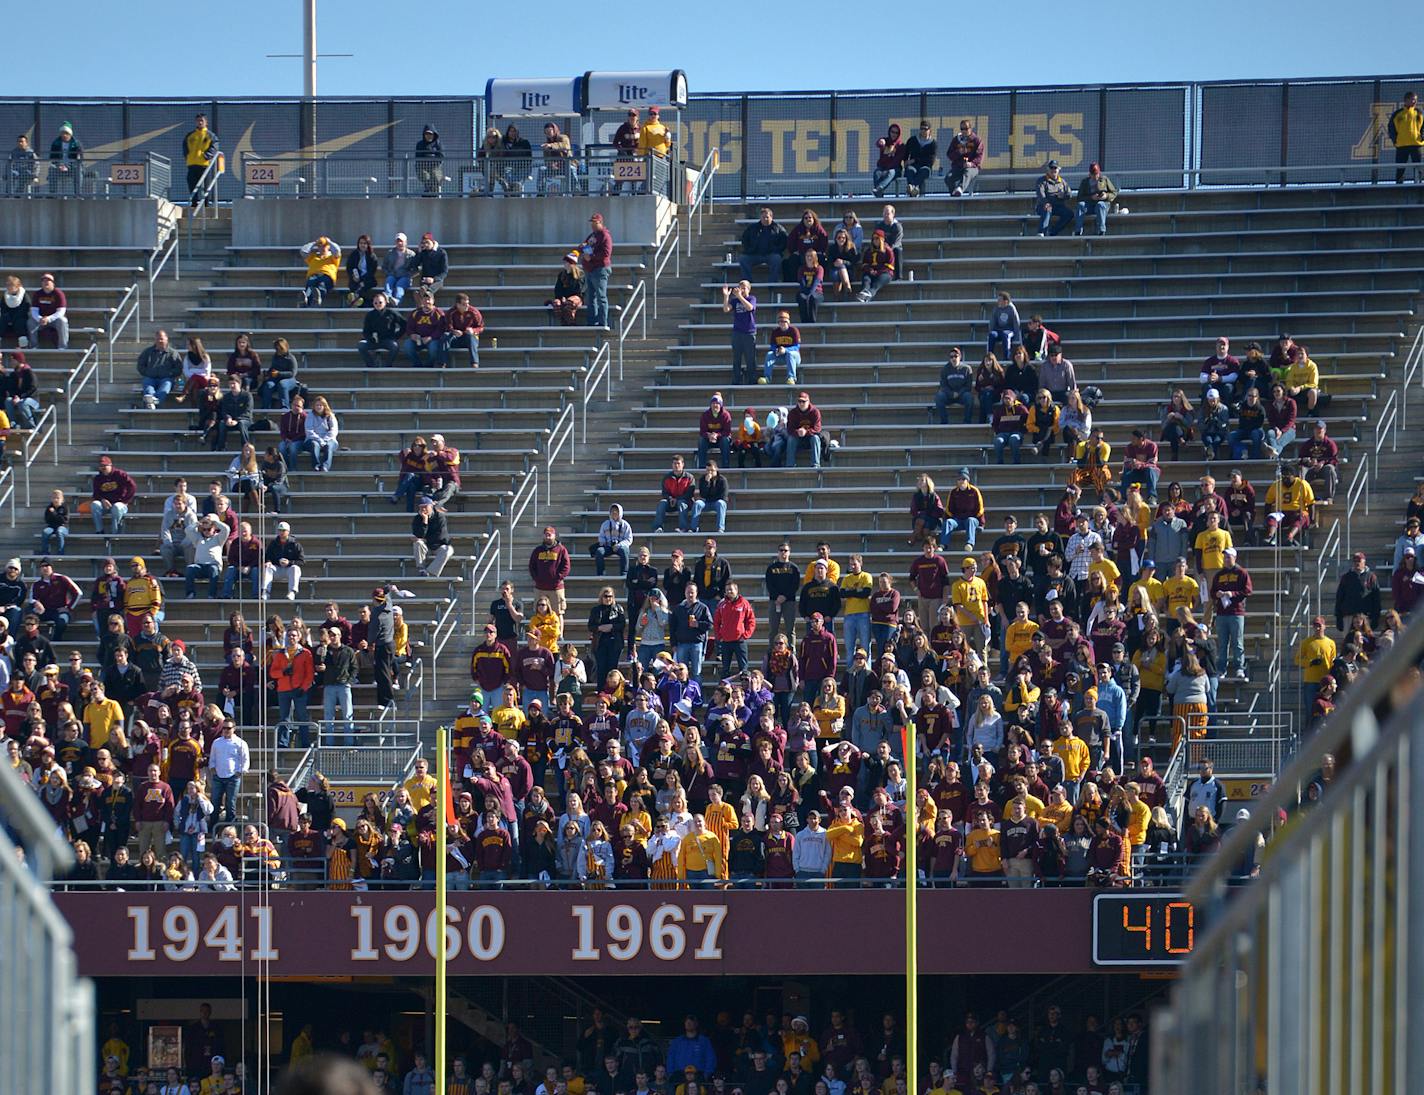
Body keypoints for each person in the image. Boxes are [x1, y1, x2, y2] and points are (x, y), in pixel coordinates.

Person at [136, 329, 184, 409]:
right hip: (151, 378)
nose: (160, 341)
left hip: (166, 378)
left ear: (166, 339)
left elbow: (179, 368)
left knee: (165, 387)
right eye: (158, 339)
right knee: (148, 387)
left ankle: (153, 402)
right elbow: (140, 365)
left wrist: (170, 374)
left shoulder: (173, 353)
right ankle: (152, 401)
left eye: (161, 338)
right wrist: (147, 373)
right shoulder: (147, 352)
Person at [739, 207, 788, 283]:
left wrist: (777, 250)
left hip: (771, 255)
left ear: (771, 217)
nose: (765, 219)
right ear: (760, 217)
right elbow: (744, 239)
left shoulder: (778, 228)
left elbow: (784, 241)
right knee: (743, 259)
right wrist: (748, 250)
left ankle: (773, 282)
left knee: (777, 258)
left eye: (767, 217)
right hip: (754, 254)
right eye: (763, 217)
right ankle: (747, 282)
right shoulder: (752, 228)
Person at [723, 281, 758, 386]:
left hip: (749, 332)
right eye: (740, 288)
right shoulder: (735, 301)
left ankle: (751, 380)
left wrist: (740, 296)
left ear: (749, 289)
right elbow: (726, 309)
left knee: (750, 358)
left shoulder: (752, 298)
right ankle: (736, 380)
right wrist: (726, 297)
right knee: (736, 358)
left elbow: (750, 308)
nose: (741, 290)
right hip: (737, 332)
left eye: (744, 288)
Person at [581, 213, 613, 328]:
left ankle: (602, 322)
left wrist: (592, 256)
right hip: (590, 269)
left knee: (601, 297)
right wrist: (583, 248)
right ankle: (592, 322)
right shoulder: (592, 235)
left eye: (595, 222)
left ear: (600, 222)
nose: (593, 225)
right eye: (592, 223)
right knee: (591, 297)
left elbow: (606, 254)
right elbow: (585, 245)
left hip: (600, 269)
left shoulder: (605, 235)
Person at [92, 455, 136, 536]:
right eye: (101, 466)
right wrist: (102, 499)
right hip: (106, 505)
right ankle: (100, 531)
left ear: (110, 465)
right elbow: (95, 494)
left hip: (119, 504)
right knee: (95, 505)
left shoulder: (120, 474)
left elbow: (132, 486)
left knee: (117, 507)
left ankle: (114, 533)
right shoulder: (98, 478)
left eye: (105, 465)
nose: (103, 468)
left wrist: (125, 501)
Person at [358, 291, 405, 367]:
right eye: (375, 303)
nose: (378, 304)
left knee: (394, 346)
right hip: (373, 341)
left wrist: (396, 336)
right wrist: (370, 338)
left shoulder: (391, 313)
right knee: (361, 345)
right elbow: (366, 331)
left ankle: (388, 365)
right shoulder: (370, 315)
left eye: (380, 302)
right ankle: (371, 366)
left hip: (388, 340)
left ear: (385, 302)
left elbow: (404, 324)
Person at [182, 113, 220, 208]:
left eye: (202, 120)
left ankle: (206, 204)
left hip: (204, 165)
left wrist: (206, 156)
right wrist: (188, 157)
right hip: (192, 164)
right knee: (192, 184)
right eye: (198, 120)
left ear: (206, 122)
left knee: (205, 186)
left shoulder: (210, 135)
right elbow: (185, 147)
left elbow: (214, 147)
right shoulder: (190, 135)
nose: (199, 122)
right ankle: (194, 203)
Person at [1073, 163, 1118, 237]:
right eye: (1093, 174)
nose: (1095, 176)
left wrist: (1106, 196)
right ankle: (1078, 231)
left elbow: (1114, 192)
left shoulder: (1104, 179)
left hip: (1103, 204)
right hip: (1089, 205)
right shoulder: (1085, 182)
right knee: (1081, 205)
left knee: (1100, 204)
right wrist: (1091, 197)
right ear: (1089, 174)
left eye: (1096, 174)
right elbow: (1079, 197)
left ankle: (1101, 230)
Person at [263, 520, 304, 600]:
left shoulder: (295, 544)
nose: (281, 532)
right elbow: (267, 556)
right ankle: (266, 592)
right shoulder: (273, 543)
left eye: (283, 530)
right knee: (268, 568)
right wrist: (269, 562)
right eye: (280, 530)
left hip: (289, 570)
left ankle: (292, 592)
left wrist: (289, 562)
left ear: (288, 531)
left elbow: (301, 561)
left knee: (295, 568)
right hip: (277, 568)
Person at [412, 496, 452, 577]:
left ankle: (430, 572)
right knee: (418, 543)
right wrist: (425, 521)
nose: (423, 509)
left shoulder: (440, 517)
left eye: (425, 507)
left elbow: (440, 536)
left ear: (431, 506)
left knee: (448, 550)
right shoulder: (417, 518)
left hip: (438, 545)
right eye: (421, 507)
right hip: (426, 546)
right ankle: (421, 569)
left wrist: (425, 539)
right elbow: (419, 535)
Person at [401, 292, 445, 367]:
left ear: (433, 301)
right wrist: (412, 335)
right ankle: (417, 364)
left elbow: (441, 329)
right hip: (418, 340)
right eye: (424, 299)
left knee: (434, 349)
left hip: (432, 340)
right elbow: (409, 327)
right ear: (421, 301)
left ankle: (429, 365)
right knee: (407, 345)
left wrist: (430, 337)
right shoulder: (415, 313)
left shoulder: (438, 313)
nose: (427, 301)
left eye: (429, 299)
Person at [1389, 90, 1423, 184]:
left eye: (1415, 100)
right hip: (1401, 145)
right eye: (1412, 100)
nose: (1414, 102)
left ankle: (1419, 183)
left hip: (1416, 144)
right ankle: (1399, 185)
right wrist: (1395, 140)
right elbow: (1391, 128)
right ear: (1406, 100)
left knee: (1418, 166)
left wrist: (1422, 137)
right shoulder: (1397, 114)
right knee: (1400, 166)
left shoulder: (1419, 113)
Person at [590, 504, 633, 577]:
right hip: (608, 546)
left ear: (620, 512)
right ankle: (601, 574)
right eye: (612, 511)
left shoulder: (626, 525)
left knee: (624, 551)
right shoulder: (605, 524)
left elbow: (629, 539)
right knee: (599, 551)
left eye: (616, 511)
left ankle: (624, 573)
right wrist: (604, 543)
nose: (614, 513)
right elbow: (601, 537)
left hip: (620, 546)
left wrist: (619, 545)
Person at [28, 272, 68, 349]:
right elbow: (34, 310)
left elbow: (61, 311)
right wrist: (40, 318)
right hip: (41, 320)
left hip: (54, 320)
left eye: (48, 280)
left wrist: (48, 319)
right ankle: (34, 346)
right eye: (43, 280)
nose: (46, 282)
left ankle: (63, 347)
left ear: (53, 283)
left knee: (62, 321)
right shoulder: (37, 294)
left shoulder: (58, 294)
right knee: (31, 322)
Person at [1034, 161, 1073, 237]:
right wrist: (1046, 202)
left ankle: (1053, 231)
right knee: (1048, 209)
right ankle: (1041, 232)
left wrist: (1063, 196)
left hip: (1058, 207)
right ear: (1048, 169)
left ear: (1059, 169)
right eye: (1051, 168)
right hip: (1043, 206)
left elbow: (1069, 194)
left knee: (1069, 214)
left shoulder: (1062, 182)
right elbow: (1040, 194)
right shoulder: (1041, 181)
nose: (1053, 170)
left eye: (1055, 168)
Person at [944, 119, 983, 196]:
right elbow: (949, 154)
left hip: (972, 168)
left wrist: (971, 164)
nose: (964, 131)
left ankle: (960, 189)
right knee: (948, 178)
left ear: (970, 128)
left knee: (967, 172)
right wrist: (959, 152)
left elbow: (979, 157)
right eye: (962, 129)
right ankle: (954, 195)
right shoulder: (956, 140)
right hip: (958, 167)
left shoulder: (976, 140)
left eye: (966, 128)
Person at [299, 236, 341, 308]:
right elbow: (303, 251)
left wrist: (329, 242)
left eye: (324, 246)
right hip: (314, 276)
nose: (322, 248)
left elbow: (337, 250)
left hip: (326, 276)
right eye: (320, 246)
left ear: (328, 247)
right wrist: (314, 243)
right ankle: (305, 301)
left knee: (322, 285)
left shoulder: (332, 257)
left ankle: (317, 299)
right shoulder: (313, 257)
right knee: (310, 284)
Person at [213, 375, 252, 451]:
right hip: (231, 421)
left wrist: (237, 420)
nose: (232, 386)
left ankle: (246, 448)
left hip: (245, 420)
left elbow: (247, 411)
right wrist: (228, 418)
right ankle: (222, 447)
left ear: (239, 384)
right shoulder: (226, 397)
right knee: (222, 423)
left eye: (234, 383)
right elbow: (224, 411)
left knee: (242, 424)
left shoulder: (247, 395)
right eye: (230, 384)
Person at [785, 391, 823, 469]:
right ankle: (790, 465)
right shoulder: (793, 413)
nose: (801, 404)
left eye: (803, 401)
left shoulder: (815, 412)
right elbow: (790, 429)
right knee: (791, 439)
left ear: (808, 401)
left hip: (810, 438)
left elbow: (817, 428)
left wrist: (806, 432)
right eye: (799, 401)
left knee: (815, 438)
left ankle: (815, 464)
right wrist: (798, 432)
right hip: (797, 439)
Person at [991, 387, 1029, 465]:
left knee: (1014, 439)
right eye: (1005, 398)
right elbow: (994, 423)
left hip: (1017, 432)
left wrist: (1023, 430)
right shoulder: (999, 410)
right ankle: (1000, 462)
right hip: (1003, 433)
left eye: (1009, 398)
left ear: (1013, 399)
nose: (1007, 400)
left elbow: (1028, 421)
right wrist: (998, 431)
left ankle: (1016, 462)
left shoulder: (1021, 408)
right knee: (998, 441)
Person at [302, 395, 340, 472]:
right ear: (314, 406)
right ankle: (316, 465)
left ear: (324, 406)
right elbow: (309, 431)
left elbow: (333, 430)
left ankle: (325, 466)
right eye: (317, 405)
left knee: (329, 445)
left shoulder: (331, 416)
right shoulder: (310, 415)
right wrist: (320, 440)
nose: (319, 407)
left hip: (329, 439)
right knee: (315, 445)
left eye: (320, 405)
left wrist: (325, 440)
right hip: (313, 439)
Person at [548, 252, 585, 327]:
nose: (564, 264)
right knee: (557, 303)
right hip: (564, 297)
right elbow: (558, 289)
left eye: (566, 262)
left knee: (569, 303)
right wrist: (560, 297)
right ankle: (563, 321)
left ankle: (572, 322)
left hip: (577, 297)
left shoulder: (580, 274)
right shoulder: (562, 275)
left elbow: (580, 290)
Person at [856, 230, 894, 302]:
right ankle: (864, 291)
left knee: (877, 284)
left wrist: (878, 272)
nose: (875, 240)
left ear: (882, 239)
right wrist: (870, 270)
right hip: (871, 272)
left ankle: (868, 294)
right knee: (866, 278)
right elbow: (864, 264)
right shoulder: (869, 251)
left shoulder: (888, 250)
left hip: (884, 273)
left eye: (877, 238)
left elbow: (889, 266)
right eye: (873, 239)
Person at [764, 312, 801, 386]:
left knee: (790, 354)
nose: (783, 323)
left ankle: (791, 378)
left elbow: (797, 346)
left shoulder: (794, 330)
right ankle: (767, 378)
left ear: (788, 322)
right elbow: (772, 346)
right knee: (769, 354)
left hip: (794, 357)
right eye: (781, 322)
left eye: (785, 321)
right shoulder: (775, 332)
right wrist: (777, 350)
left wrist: (785, 350)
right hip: (780, 356)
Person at [47, 121, 82, 195]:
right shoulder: (56, 143)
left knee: (78, 170)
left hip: (72, 166)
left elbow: (80, 158)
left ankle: (77, 193)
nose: (64, 135)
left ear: (70, 134)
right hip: (59, 166)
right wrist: (59, 165)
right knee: (51, 169)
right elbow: (53, 158)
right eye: (63, 133)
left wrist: (69, 165)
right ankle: (53, 194)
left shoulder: (76, 143)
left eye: (66, 133)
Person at [903, 121, 937, 196]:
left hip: (925, 167)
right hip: (913, 166)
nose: (923, 131)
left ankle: (912, 187)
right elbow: (905, 153)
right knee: (909, 170)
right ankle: (913, 189)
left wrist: (915, 160)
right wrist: (906, 162)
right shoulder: (912, 140)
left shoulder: (933, 143)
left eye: (925, 129)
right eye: (921, 129)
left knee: (924, 171)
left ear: (930, 131)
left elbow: (930, 161)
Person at [345, 234, 379, 307]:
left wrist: (362, 280)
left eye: (364, 243)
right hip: (355, 279)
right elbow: (349, 267)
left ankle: (354, 301)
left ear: (368, 245)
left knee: (362, 287)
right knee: (354, 285)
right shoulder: (354, 254)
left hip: (368, 279)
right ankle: (356, 301)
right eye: (361, 243)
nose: (362, 245)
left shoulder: (372, 256)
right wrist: (353, 276)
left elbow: (372, 272)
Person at [871, 124, 905, 197]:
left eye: (896, 133)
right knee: (877, 172)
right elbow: (879, 144)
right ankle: (879, 194)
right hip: (883, 167)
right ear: (889, 132)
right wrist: (880, 142)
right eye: (892, 132)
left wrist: (887, 170)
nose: (894, 134)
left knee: (891, 172)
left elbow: (897, 161)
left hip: (895, 169)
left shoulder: (901, 145)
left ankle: (880, 188)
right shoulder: (886, 141)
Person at [411, 232, 448, 298]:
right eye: (423, 243)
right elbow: (414, 264)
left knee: (429, 290)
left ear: (432, 242)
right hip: (425, 279)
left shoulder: (441, 253)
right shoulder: (423, 252)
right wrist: (419, 252)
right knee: (423, 288)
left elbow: (444, 271)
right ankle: (424, 298)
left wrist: (434, 279)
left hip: (437, 280)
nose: (426, 245)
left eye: (427, 242)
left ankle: (426, 296)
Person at [383, 233, 416, 304]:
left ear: (405, 242)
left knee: (399, 287)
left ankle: (397, 301)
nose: (400, 243)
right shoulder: (390, 253)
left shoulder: (411, 254)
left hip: (405, 276)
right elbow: (384, 266)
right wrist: (388, 273)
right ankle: (387, 297)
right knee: (389, 281)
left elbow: (415, 269)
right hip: (392, 274)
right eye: (398, 241)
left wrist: (409, 275)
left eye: (401, 241)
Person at [986, 293, 1021, 359]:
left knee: (1005, 335)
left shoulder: (1011, 308)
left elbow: (1016, 322)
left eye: (1000, 300)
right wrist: (991, 331)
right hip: (998, 330)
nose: (998, 301)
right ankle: (989, 357)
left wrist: (1016, 335)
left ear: (1006, 301)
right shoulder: (996, 309)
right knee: (992, 335)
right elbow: (992, 322)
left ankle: (1006, 357)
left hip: (1009, 330)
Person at [794, 250, 824, 325]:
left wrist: (810, 293)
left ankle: (812, 322)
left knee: (812, 298)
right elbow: (802, 282)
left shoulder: (819, 268)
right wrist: (806, 292)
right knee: (801, 297)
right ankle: (804, 321)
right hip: (804, 291)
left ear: (815, 257)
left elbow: (817, 282)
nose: (809, 258)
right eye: (807, 256)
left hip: (817, 292)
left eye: (811, 256)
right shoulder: (801, 268)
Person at [415, 123, 444, 194]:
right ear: (424, 135)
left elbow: (441, 156)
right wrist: (424, 164)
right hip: (422, 167)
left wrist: (434, 163)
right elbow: (418, 157)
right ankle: (427, 190)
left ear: (434, 135)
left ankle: (435, 192)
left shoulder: (438, 144)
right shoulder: (420, 144)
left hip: (435, 166)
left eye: (430, 134)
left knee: (437, 176)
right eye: (427, 134)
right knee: (425, 176)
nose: (429, 136)